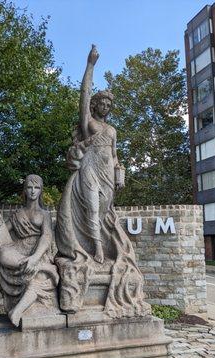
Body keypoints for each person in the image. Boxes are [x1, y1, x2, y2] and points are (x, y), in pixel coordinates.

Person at [55, 46, 150, 318]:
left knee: (104, 212)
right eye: (102, 103)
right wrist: (90, 65)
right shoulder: (89, 124)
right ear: (95, 105)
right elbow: (83, 96)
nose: (105, 107)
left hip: (108, 174)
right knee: (92, 209)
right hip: (89, 169)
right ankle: (95, 248)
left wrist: (120, 172)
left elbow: (115, 155)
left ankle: (103, 246)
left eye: (109, 105)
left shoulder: (113, 130)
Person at [0, 174, 59, 327]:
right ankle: (43, 268)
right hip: (19, 251)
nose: (33, 191)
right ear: (25, 190)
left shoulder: (45, 214)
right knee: (3, 254)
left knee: (35, 277)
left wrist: (35, 258)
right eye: (30, 188)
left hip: (38, 252)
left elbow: (46, 237)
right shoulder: (17, 214)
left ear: (41, 191)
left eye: (36, 188)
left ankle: (17, 311)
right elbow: (2, 231)